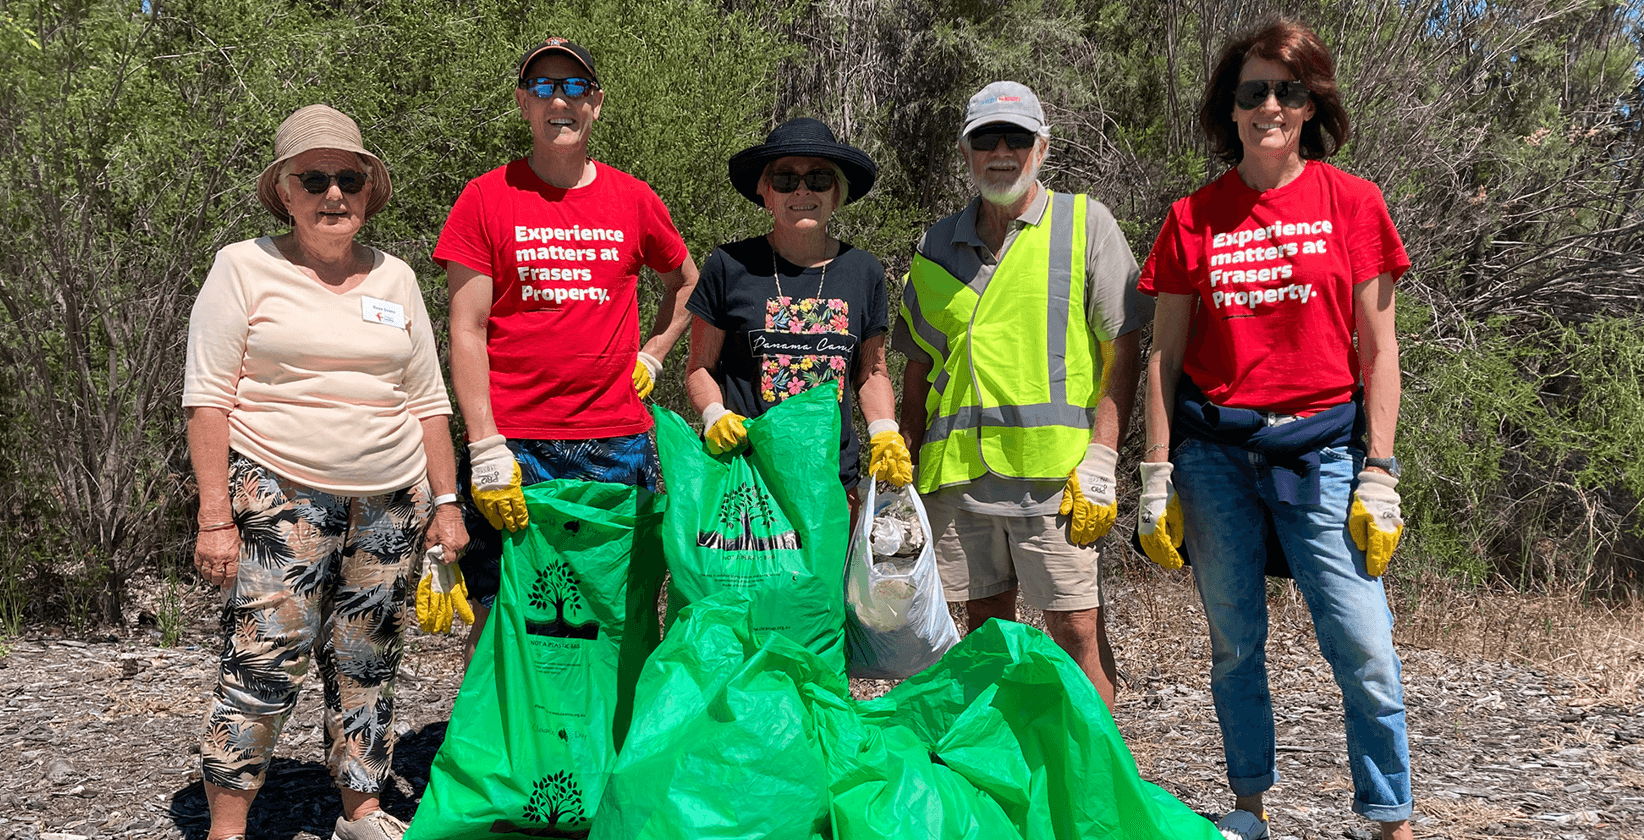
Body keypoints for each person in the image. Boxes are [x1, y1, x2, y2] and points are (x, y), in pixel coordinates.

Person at [1133, 17, 1469, 840]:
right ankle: (1248, 810)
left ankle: (1394, 831)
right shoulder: (1190, 218)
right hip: (1213, 456)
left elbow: (1379, 347)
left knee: (1362, 641)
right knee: (1236, 642)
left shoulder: (1352, 202)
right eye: (1253, 92)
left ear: (1313, 103)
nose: (1271, 106)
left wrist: (1381, 469)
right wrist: (1153, 471)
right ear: (1229, 110)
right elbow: (1164, 357)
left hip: (1322, 452)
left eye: (1289, 90)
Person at [182, 104, 465, 840]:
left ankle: (362, 810)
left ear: (369, 190)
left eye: (350, 178)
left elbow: (427, 400)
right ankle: (226, 839)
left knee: (367, 659)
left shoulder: (396, 276)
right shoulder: (243, 266)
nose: (334, 193)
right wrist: (214, 515)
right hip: (280, 491)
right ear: (286, 190)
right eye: (316, 178)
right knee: (266, 660)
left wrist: (446, 503)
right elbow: (208, 399)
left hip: (389, 500)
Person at [434, 38, 698, 664]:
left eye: (576, 88)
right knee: (502, 605)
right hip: (515, 442)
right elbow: (466, 328)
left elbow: (687, 283)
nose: (561, 100)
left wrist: (654, 355)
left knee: (614, 603)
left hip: (614, 439)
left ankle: (603, 745)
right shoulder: (485, 197)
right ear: (524, 103)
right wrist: (483, 443)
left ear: (596, 105)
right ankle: (498, 751)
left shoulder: (633, 199)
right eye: (546, 88)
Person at [895, 82, 1151, 705]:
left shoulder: (1085, 224)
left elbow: (1125, 350)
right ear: (966, 152)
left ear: (1042, 147)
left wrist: (1103, 459)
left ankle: (1095, 792)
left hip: (1056, 476)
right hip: (960, 478)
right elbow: (919, 371)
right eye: (986, 138)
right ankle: (1003, 780)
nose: (1001, 152)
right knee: (987, 634)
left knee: (1076, 633)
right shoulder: (936, 245)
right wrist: (899, 469)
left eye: (1016, 138)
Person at [685, 118, 908, 514]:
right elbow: (700, 367)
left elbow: (871, 373)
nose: (802, 190)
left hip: (832, 485)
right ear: (765, 193)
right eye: (785, 179)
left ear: (837, 192)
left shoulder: (864, 271)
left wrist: (884, 431)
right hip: (747, 479)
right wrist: (713, 414)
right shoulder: (730, 265)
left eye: (818, 179)